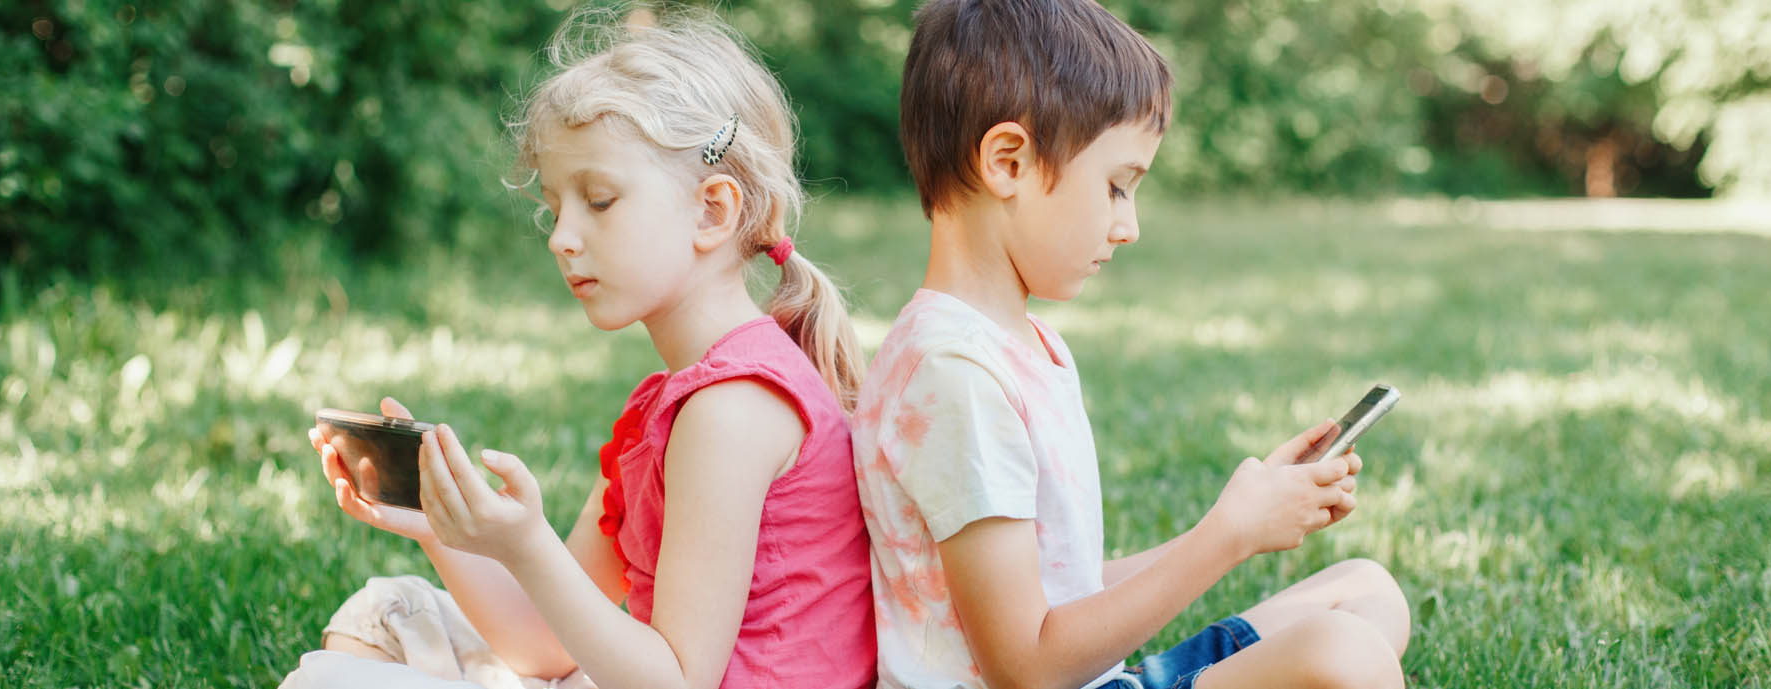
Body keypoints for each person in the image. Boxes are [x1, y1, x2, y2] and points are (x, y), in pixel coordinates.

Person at [281, 7, 875, 689]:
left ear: (713, 210)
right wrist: (440, 526)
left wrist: (530, 545)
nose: (562, 236)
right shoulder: (665, 408)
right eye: (554, 206)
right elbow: (544, 648)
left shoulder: (731, 411)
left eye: (598, 200)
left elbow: (675, 680)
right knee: (391, 609)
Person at [851, 2, 1411, 688]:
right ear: (1008, 163)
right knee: (1342, 652)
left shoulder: (1018, 348)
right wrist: (1224, 537)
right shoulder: (952, 375)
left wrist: (1244, 519)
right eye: (1117, 187)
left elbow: (1066, 591)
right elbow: (1025, 665)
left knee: (1365, 588)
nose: (1129, 226)